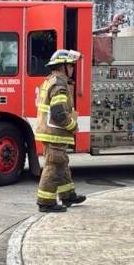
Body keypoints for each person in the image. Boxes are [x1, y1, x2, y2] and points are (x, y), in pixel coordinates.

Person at [34, 49, 87, 213]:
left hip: (51, 132)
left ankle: (68, 195)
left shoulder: (51, 80)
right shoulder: (59, 84)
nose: (72, 68)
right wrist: (72, 125)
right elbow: (58, 113)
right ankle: (45, 202)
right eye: (70, 65)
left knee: (61, 163)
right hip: (55, 132)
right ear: (62, 66)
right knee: (53, 165)